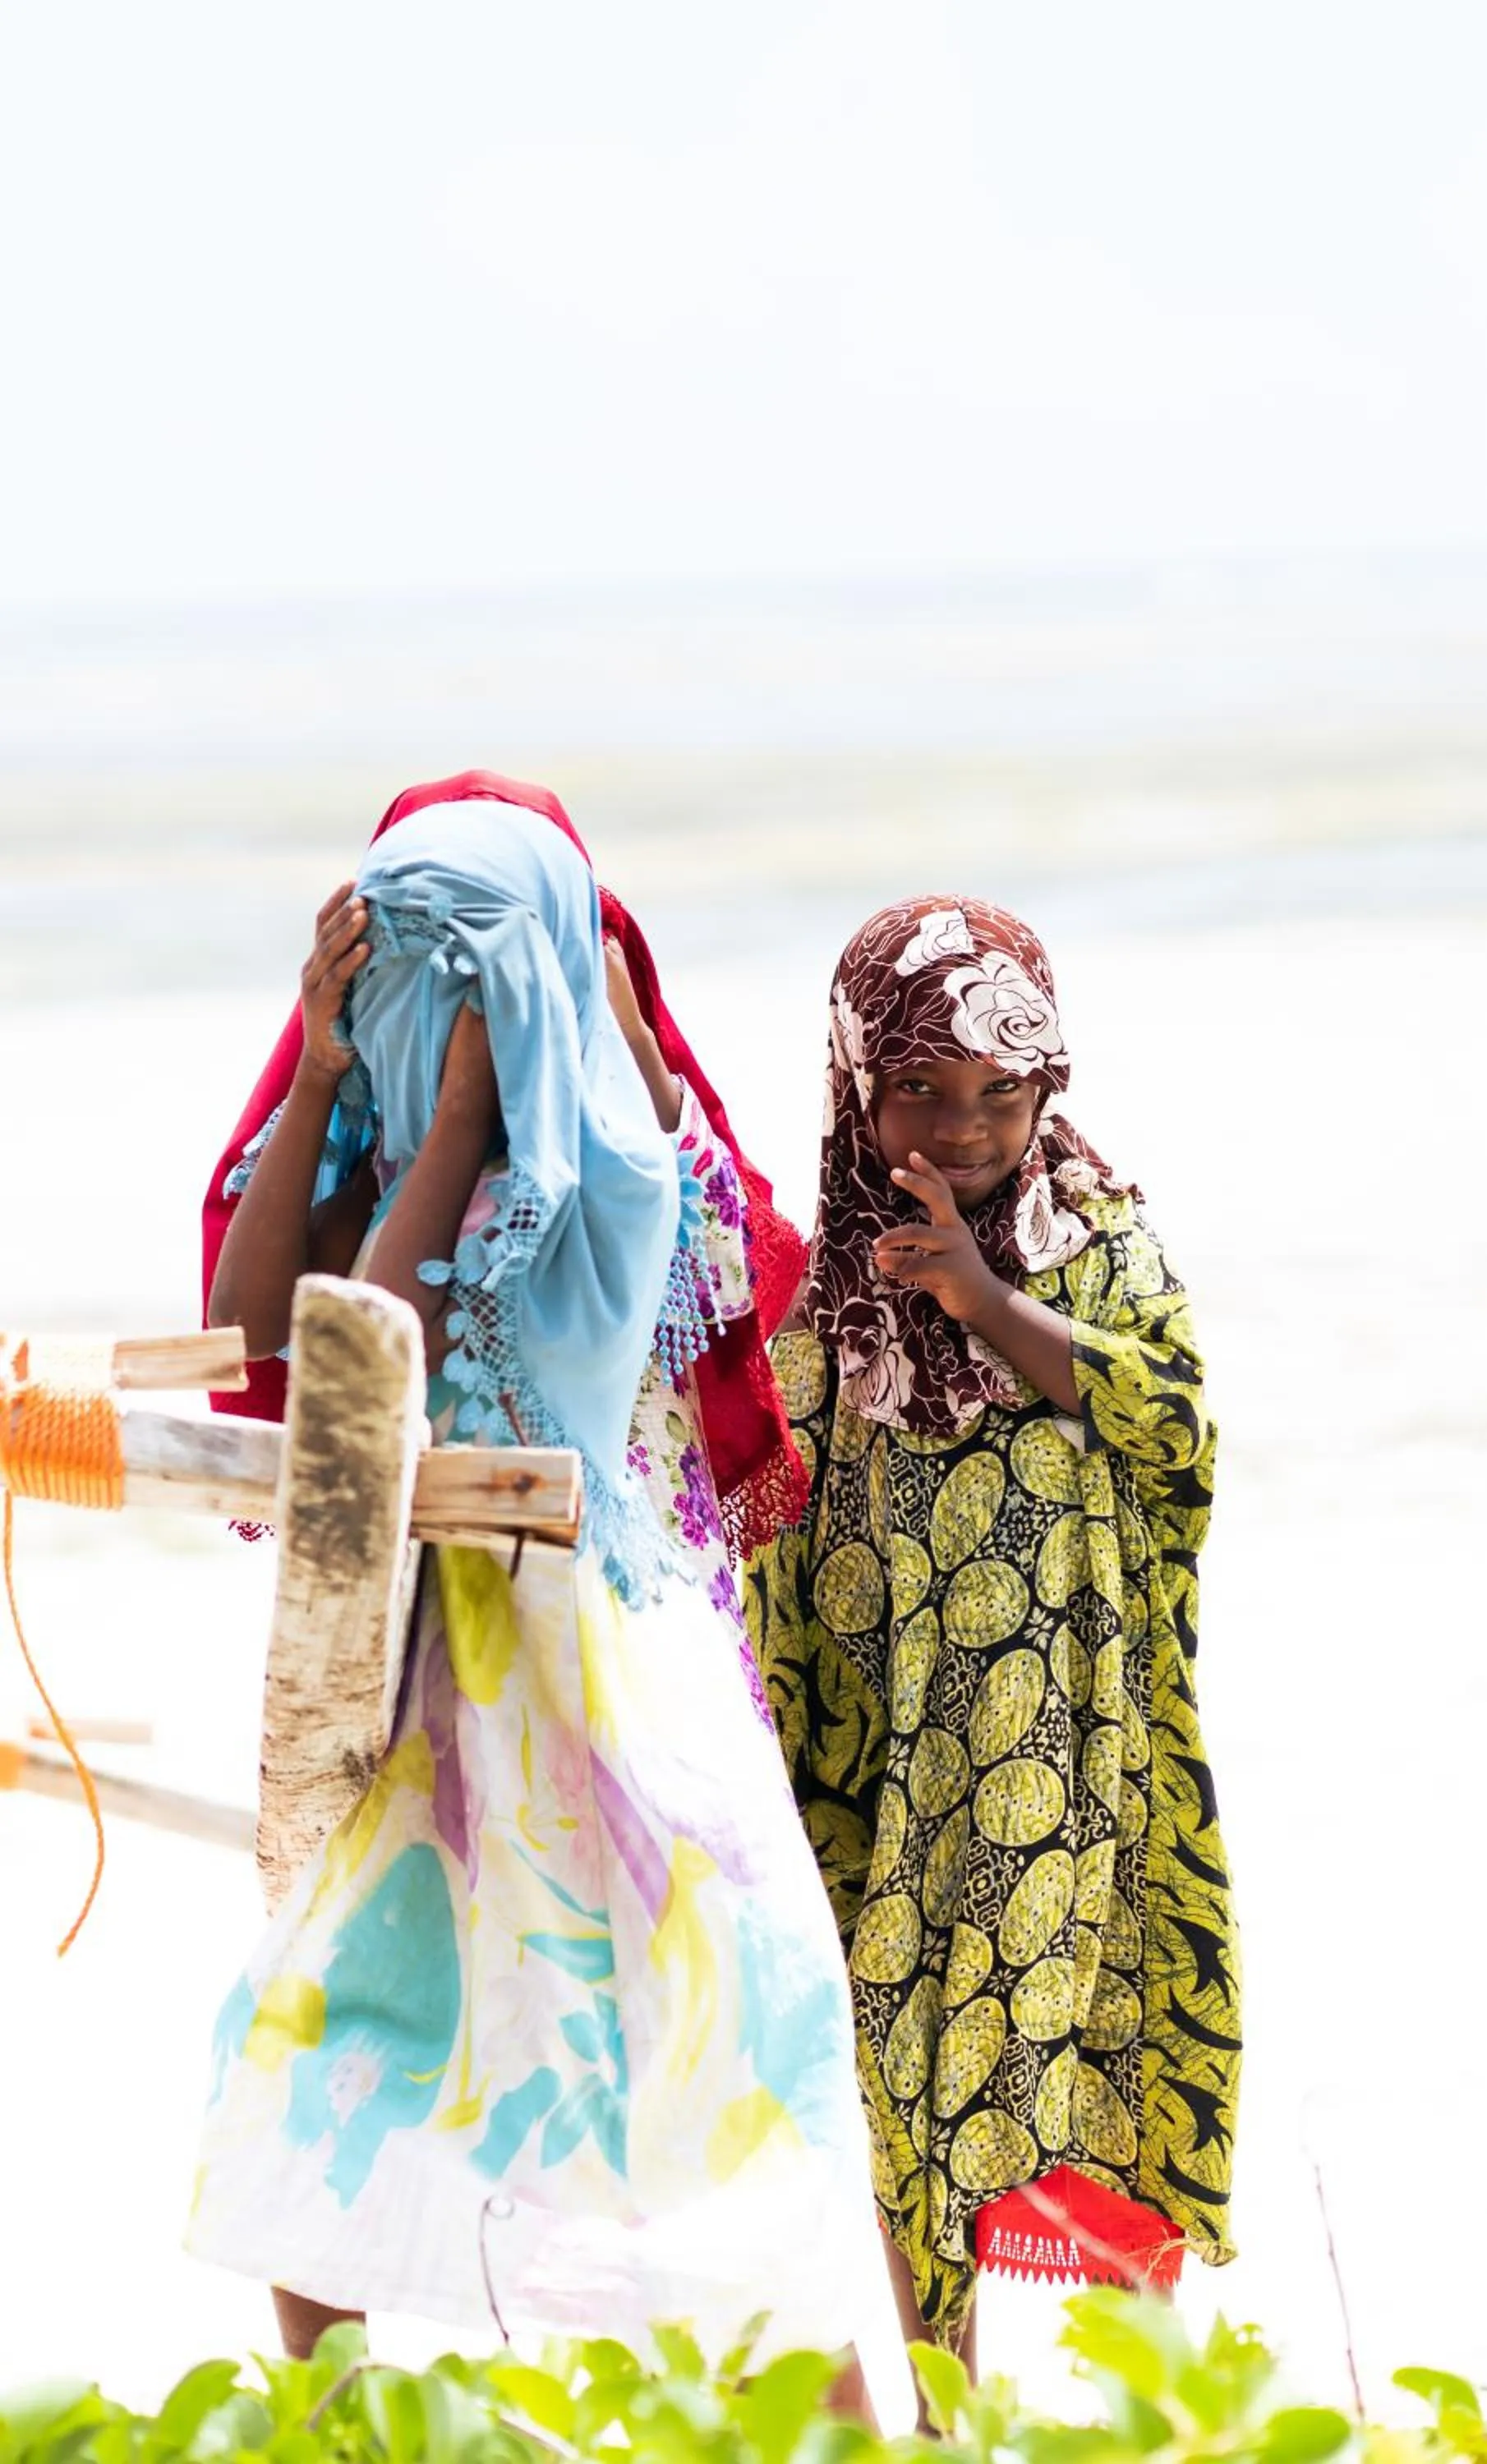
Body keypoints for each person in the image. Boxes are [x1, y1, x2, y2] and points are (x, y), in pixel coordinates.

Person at [187, 792, 875, 2372]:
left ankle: (829, 2422)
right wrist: (326, 1072)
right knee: (328, 2037)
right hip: (437, 1692)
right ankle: (340, 2417)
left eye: (460, 980)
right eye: (398, 976)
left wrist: (466, 1117)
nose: (435, 1011)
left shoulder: (613, 1177)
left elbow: (386, 1336)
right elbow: (261, 1324)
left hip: (616, 1693)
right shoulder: (390, 1153)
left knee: (718, 2055)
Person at [744, 894, 1241, 2383]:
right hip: (895, 1762)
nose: (961, 1126)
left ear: (1045, 1082)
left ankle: (1156, 2406)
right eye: (917, 1087)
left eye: (997, 1090)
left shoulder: (1096, 1240)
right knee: (905, 2073)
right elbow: (773, 1509)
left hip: (1078, 1745)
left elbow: (1175, 1428)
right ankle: (941, 2411)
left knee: (1097, 2053)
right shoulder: (822, 1287)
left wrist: (982, 1299)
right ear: (854, 1082)